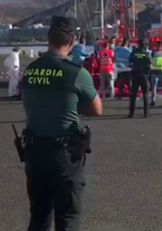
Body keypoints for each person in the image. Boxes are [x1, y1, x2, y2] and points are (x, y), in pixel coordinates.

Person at [20, 16, 102, 231]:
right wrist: (72, 106)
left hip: (34, 152)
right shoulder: (77, 73)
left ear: (48, 38)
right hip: (63, 154)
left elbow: (29, 100)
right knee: (67, 216)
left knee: (39, 215)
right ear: (72, 41)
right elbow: (96, 109)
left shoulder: (31, 70)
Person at [128, 39, 152, 118]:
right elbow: (150, 64)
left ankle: (131, 113)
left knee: (133, 95)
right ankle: (146, 113)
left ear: (138, 44)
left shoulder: (134, 52)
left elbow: (130, 61)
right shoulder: (146, 53)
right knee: (145, 94)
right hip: (144, 75)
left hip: (135, 75)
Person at [149, 40, 162, 106]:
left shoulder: (153, 53)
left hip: (155, 71)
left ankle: (153, 101)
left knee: (154, 87)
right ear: (161, 46)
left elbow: (150, 62)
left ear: (156, 45)